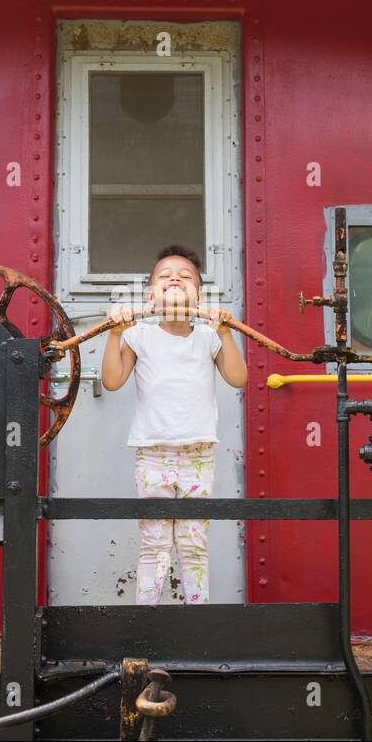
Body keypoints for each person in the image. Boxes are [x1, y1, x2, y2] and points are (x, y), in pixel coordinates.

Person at [101, 244, 248, 605]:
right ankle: (147, 623)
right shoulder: (139, 335)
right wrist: (115, 333)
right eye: (165, 277)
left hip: (198, 453)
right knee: (154, 543)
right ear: (150, 294)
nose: (175, 281)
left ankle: (195, 623)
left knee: (194, 542)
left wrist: (227, 333)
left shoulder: (209, 337)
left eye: (185, 277)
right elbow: (112, 380)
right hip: (152, 454)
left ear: (199, 293)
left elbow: (238, 378)